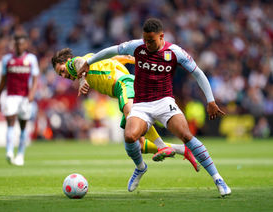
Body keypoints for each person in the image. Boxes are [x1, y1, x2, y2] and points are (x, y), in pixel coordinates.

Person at [77, 18, 231, 197]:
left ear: (161, 36)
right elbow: (111, 51)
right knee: (129, 136)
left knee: (186, 135)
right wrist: (89, 62)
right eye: (145, 40)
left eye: (151, 41)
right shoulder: (137, 46)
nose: (148, 44)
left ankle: (218, 178)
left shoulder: (174, 52)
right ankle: (141, 167)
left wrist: (210, 101)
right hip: (141, 104)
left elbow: (197, 73)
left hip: (165, 102)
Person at [51, 48, 200, 172]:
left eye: (62, 70)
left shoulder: (76, 63)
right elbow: (112, 60)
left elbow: (78, 62)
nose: (64, 76)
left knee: (132, 115)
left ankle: (159, 149)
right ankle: (182, 150)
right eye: (60, 75)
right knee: (139, 144)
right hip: (125, 89)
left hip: (124, 83)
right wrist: (127, 59)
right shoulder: (92, 61)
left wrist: (82, 79)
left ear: (66, 62)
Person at [0, 33, 39, 166]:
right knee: (10, 122)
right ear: (14, 45)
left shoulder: (31, 59)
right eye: (17, 44)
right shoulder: (7, 59)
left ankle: (20, 154)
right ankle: (9, 151)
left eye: (21, 43)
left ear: (26, 45)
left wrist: (32, 93)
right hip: (11, 96)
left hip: (25, 97)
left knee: (23, 126)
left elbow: (35, 78)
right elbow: (3, 79)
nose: (19, 46)